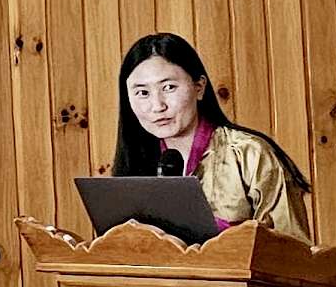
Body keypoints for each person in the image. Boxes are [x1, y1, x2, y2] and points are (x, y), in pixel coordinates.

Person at [112, 32, 312, 244]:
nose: (157, 106)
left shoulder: (250, 154)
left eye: (169, 87)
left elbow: (293, 251)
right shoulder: (133, 163)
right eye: (142, 93)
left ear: (199, 87)